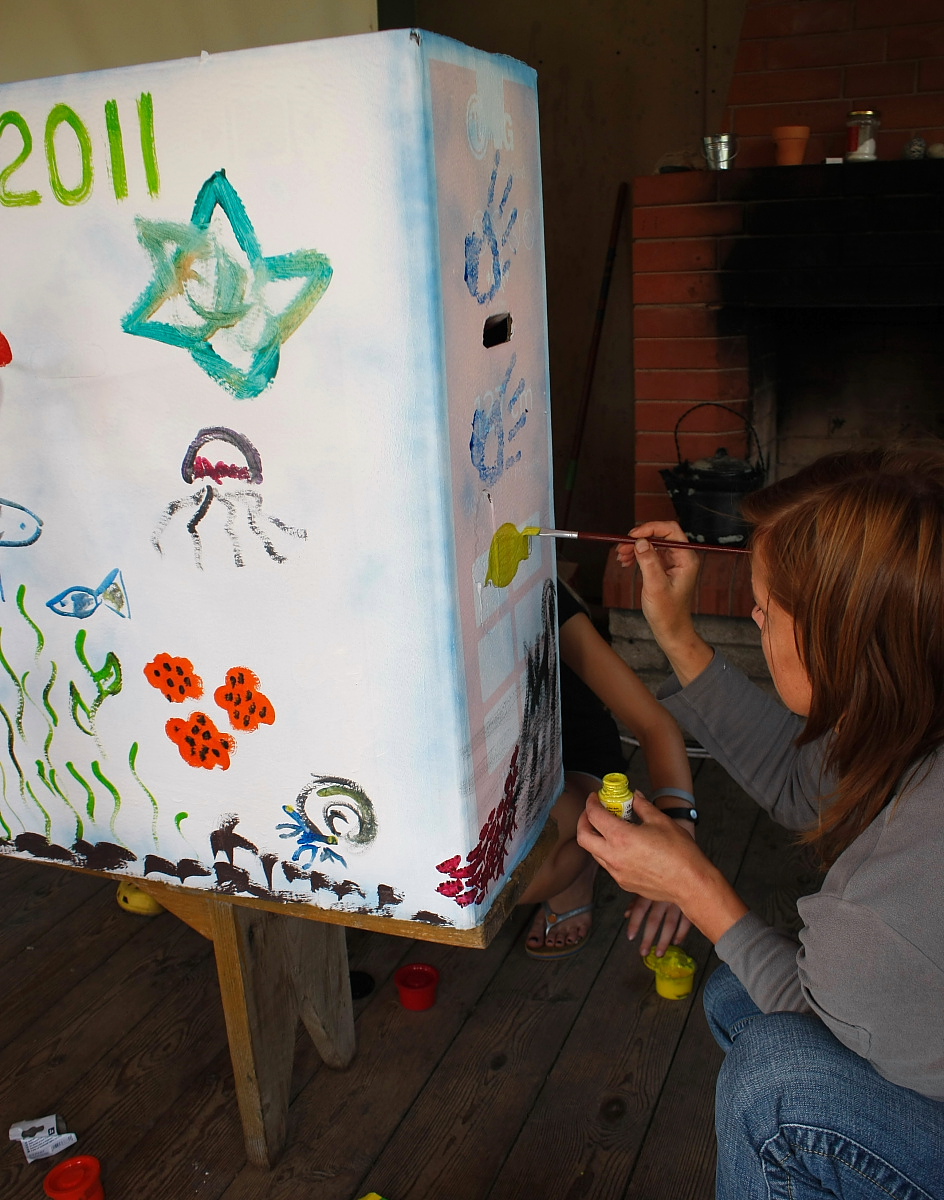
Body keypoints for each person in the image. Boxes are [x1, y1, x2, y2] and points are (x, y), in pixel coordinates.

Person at [576, 446, 944, 1199]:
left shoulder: (885, 909)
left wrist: (695, 886)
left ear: (839, 643)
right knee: (734, 997)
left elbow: (826, 1016)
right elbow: (801, 784)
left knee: (772, 1084)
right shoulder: (910, 707)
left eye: (767, 611)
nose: (753, 615)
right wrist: (676, 633)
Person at [520, 575, 696, 960]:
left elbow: (654, 724)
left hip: (573, 761)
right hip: (497, 779)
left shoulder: (533, 587)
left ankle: (585, 852)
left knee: (519, 878)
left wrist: (680, 842)